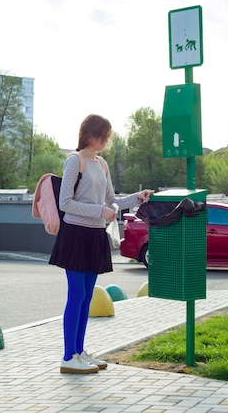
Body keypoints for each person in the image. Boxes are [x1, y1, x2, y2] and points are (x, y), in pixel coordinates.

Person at [50, 114, 154, 374]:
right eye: (103, 136)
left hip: (95, 235)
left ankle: (79, 352)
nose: (105, 141)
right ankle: (67, 356)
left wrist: (136, 199)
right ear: (91, 135)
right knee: (77, 295)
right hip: (76, 235)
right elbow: (65, 203)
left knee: (86, 297)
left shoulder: (102, 164)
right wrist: (99, 211)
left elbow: (111, 201)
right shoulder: (75, 161)